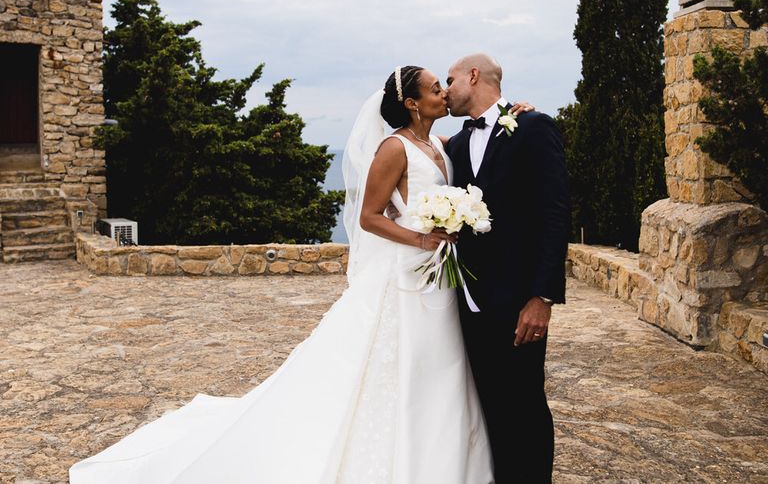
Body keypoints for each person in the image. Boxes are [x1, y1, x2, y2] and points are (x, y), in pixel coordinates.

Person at [71, 65, 528, 484]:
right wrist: (422, 240)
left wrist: (516, 113)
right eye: (434, 89)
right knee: (404, 360)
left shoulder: (439, 146)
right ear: (411, 102)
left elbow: (484, 139)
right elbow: (370, 217)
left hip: (438, 278)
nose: (443, 94)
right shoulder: (394, 148)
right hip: (406, 274)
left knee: (440, 366)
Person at [444, 53, 570, 484]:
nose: (445, 91)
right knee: (489, 405)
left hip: (521, 302)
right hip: (469, 303)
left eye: (450, 80)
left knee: (525, 405)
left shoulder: (533, 127)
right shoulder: (455, 147)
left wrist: (543, 297)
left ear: (474, 76)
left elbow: (555, 214)